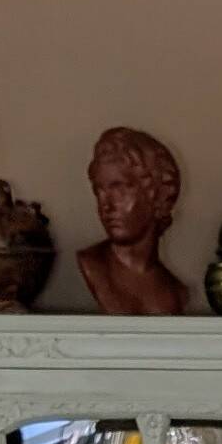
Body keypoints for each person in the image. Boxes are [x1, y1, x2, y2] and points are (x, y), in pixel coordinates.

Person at [76, 127, 186, 316]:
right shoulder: (93, 265)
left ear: (155, 194)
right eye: (99, 192)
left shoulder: (177, 291)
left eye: (120, 189)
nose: (106, 206)